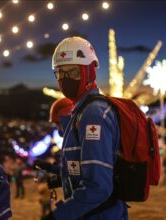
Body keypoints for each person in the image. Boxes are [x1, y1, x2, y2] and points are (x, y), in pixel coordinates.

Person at [38, 36, 128, 220]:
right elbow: (88, 166)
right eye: (60, 73)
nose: (65, 79)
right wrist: (60, 174)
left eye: (73, 72)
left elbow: (98, 187)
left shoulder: (93, 113)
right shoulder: (81, 111)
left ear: (89, 71)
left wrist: (59, 216)